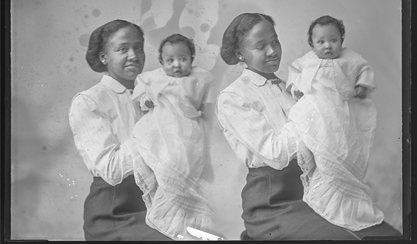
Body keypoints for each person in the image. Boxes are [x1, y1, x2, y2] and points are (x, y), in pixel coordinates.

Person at [215, 13, 360, 240]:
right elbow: (276, 152)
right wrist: (310, 109)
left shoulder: (288, 88)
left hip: (311, 191)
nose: (273, 51)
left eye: (275, 41)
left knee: (368, 228)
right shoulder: (233, 97)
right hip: (271, 202)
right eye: (260, 46)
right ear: (240, 54)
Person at [68, 19, 170, 240]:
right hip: (114, 212)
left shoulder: (154, 96)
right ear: (104, 57)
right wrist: (152, 127)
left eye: (139, 47)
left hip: (158, 206)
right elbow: (111, 169)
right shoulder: (89, 101)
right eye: (123, 49)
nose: (134, 55)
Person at [285, 15, 387, 232]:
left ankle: (343, 204)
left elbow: (365, 70)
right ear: (312, 44)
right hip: (315, 112)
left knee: (342, 150)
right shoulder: (307, 60)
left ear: (342, 39)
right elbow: (294, 73)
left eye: (333, 40)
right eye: (320, 42)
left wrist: (362, 84)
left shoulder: (351, 57)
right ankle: (321, 200)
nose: (328, 46)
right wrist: (296, 88)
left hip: (340, 114)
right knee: (320, 150)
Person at [129, 33, 215, 239]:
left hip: (189, 129)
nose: (177, 65)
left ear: (191, 59)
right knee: (166, 167)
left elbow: (208, 104)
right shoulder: (152, 77)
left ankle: (187, 222)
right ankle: (167, 217)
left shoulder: (201, 77)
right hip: (160, 127)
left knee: (188, 167)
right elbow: (140, 95)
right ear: (161, 62)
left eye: (183, 59)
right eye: (170, 61)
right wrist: (146, 101)